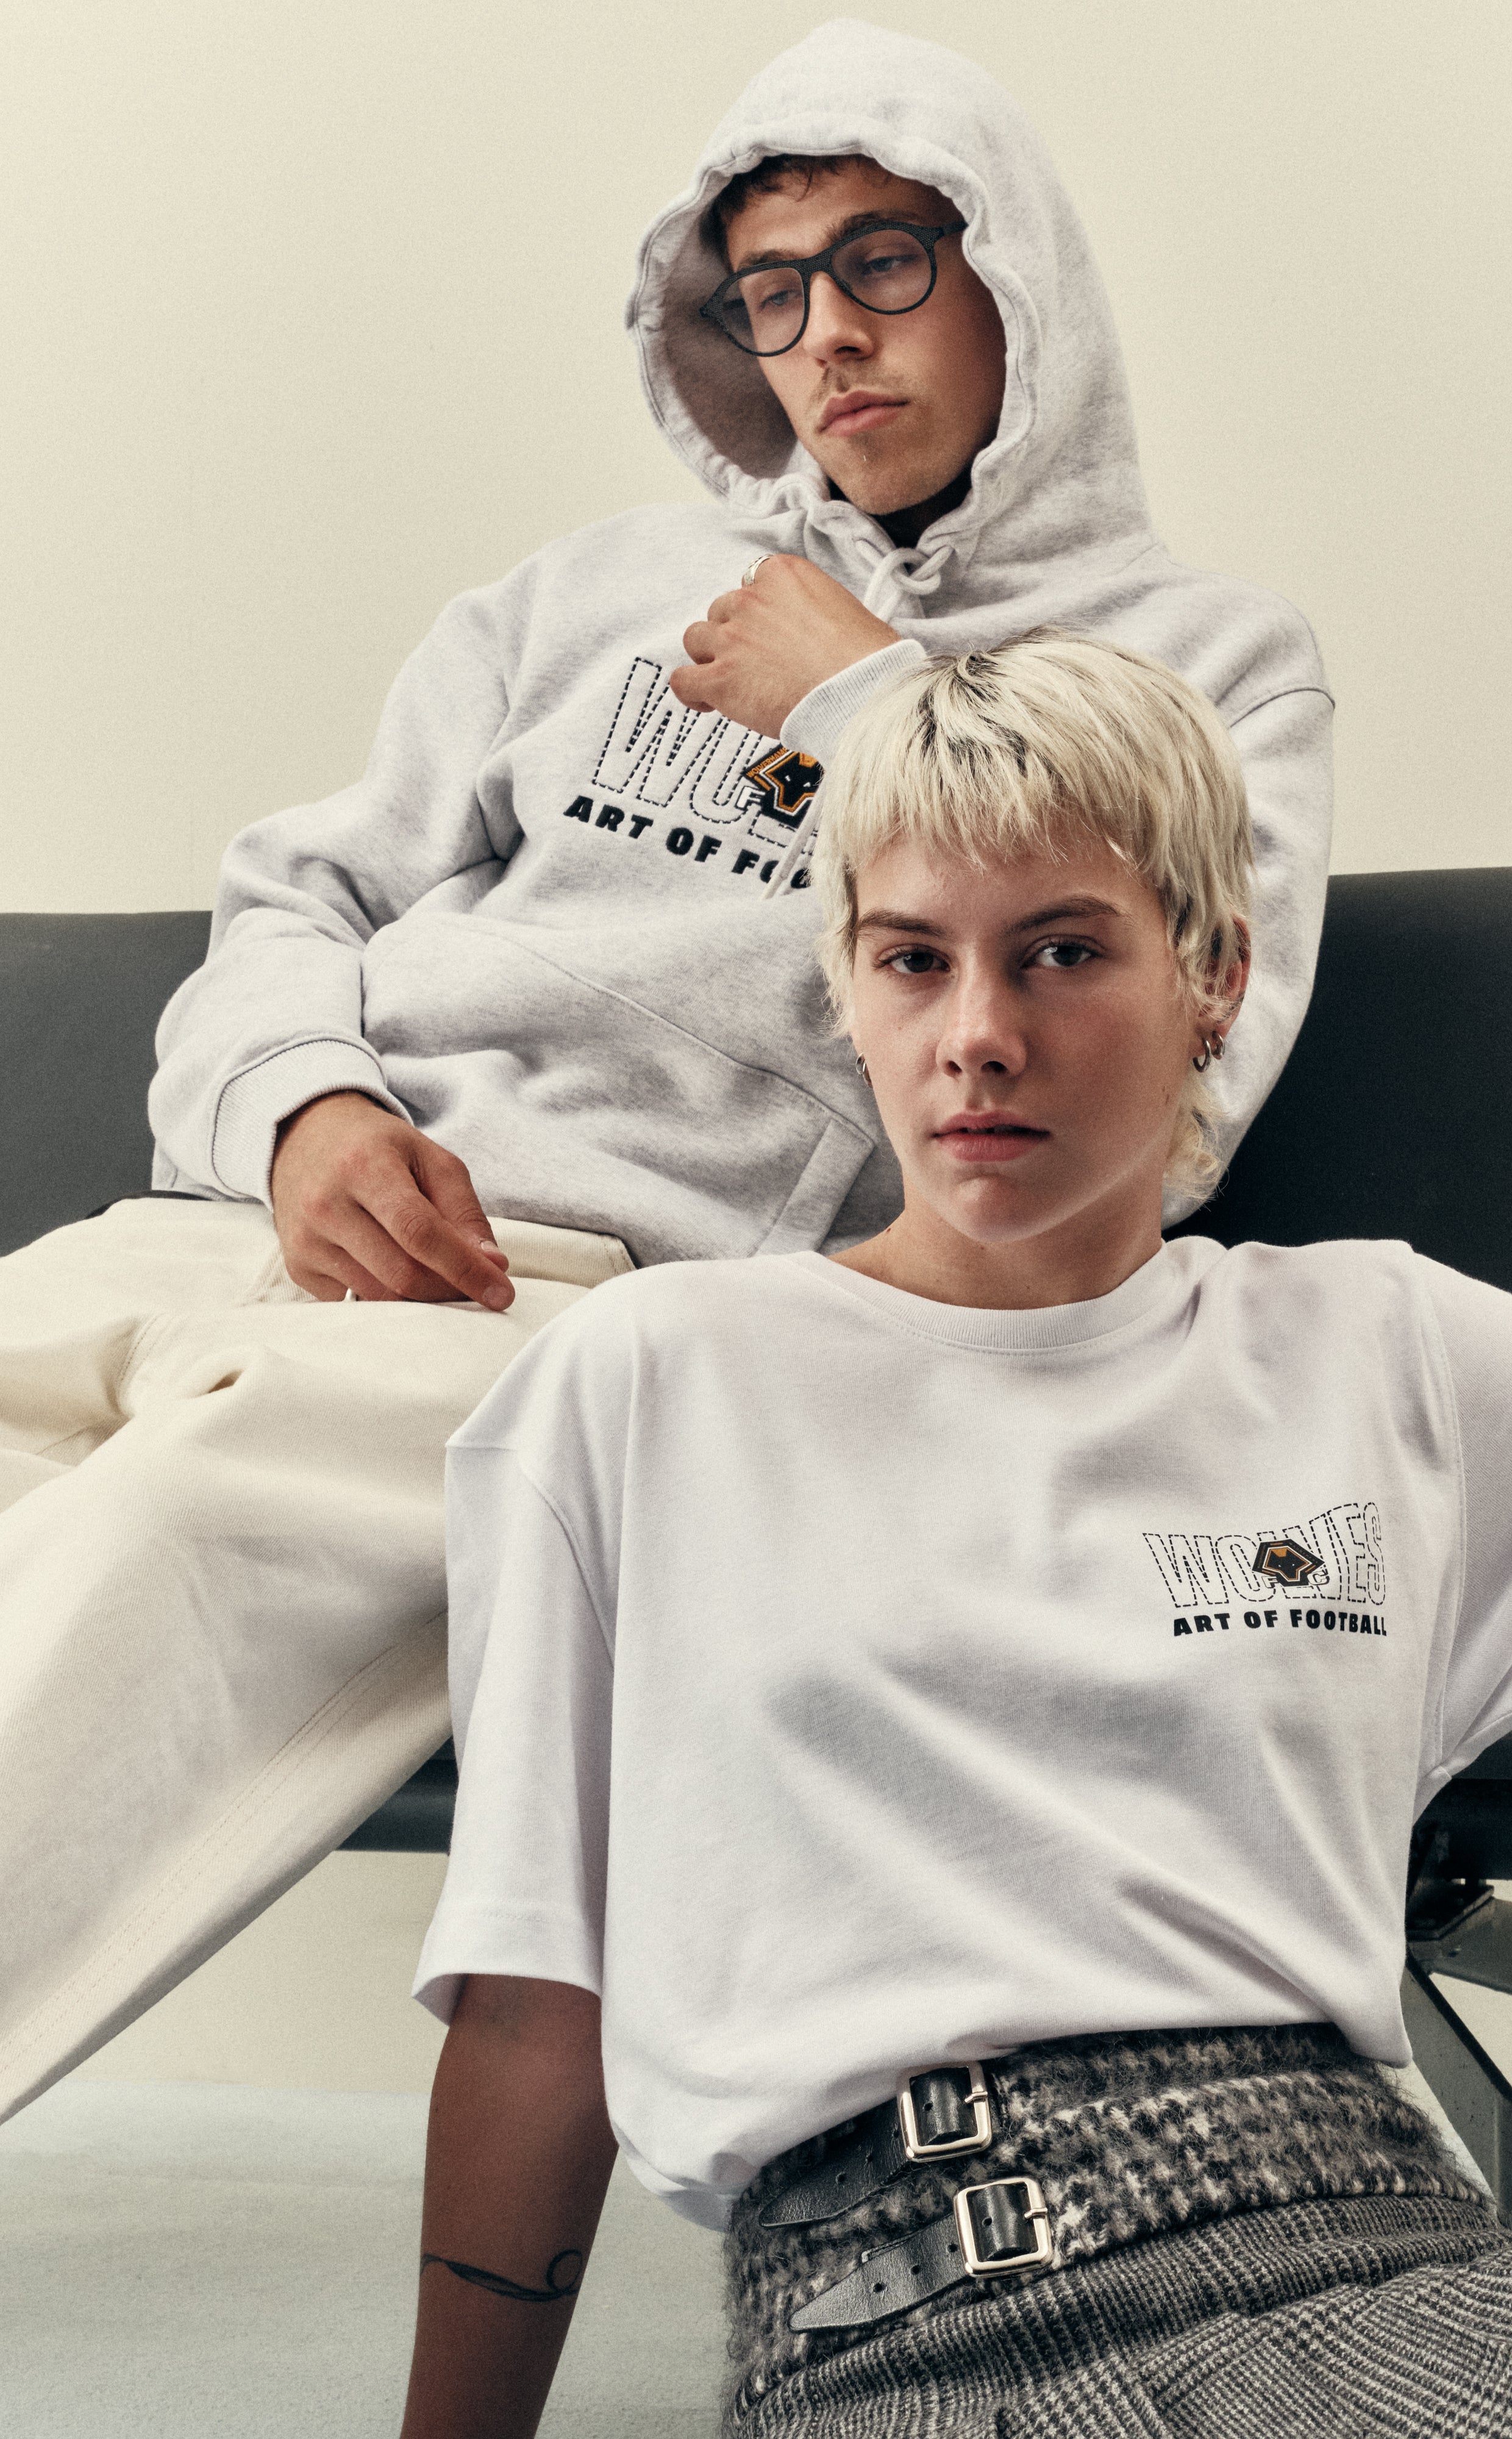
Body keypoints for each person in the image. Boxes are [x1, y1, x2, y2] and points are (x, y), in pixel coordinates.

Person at [401, 631, 1512, 2439]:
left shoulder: (1373, 1342)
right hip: (910, 2335)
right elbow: (534, 2018)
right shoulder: (650, 1378)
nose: (979, 1035)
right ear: (847, 982)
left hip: (1388, 2248)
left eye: (1062, 951)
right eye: (914, 958)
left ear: (1215, 974)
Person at [0, 23, 1332, 2124]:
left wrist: (875, 707)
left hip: (586, 1317)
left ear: (1018, 274)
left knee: (174, 1534)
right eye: (769, 292)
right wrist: (305, 1110)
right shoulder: (583, 596)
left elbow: (1177, 1112)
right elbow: (294, 895)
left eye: (881, 261)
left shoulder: (1207, 664)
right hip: (248, 1221)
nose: (826, 339)